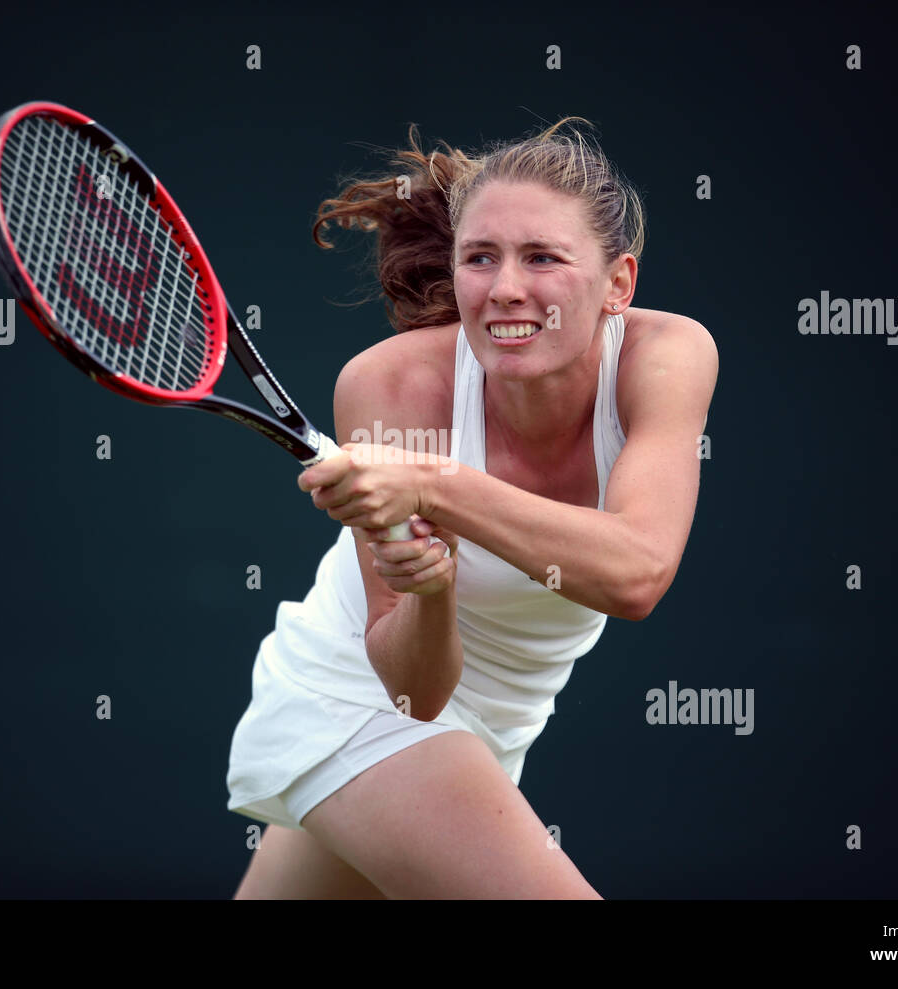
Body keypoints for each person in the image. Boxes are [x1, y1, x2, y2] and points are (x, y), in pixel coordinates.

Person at [226, 117, 718, 899]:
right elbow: (414, 695)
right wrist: (428, 587)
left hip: (490, 738)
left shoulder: (667, 355)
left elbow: (638, 572)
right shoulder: (389, 387)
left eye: (543, 258)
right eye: (479, 257)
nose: (505, 288)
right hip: (351, 697)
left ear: (619, 283)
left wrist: (435, 486)